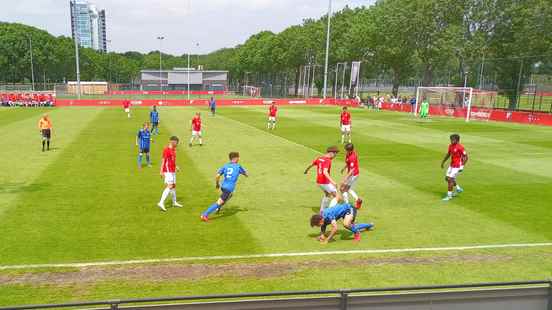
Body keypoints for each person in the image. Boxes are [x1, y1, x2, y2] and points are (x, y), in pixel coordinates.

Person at [201, 152, 248, 221]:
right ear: (235, 158)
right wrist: (245, 174)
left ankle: (218, 206)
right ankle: (205, 214)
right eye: (238, 157)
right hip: (229, 188)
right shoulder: (238, 166)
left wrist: (217, 184)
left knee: (230, 195)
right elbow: (246, 174)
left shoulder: (225, 166)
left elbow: (217, 176)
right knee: (219, 202)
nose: (239, 159)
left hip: (223, 186)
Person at [304, 146, 340, 214]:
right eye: (335, 154)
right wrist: (333, 182)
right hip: (325, 182)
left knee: (327, 194)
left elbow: (311, 164)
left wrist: (306, 170)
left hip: (319, 182)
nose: (335, 156)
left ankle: (322, 211)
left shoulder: (319, 158)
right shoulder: (328, 160)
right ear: (331, 153)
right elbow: (325, 172)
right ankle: (329, 212)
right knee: (337, 197)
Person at [157, 136, 183, 211]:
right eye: (177, 143)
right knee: (170, 186)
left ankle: (174, 202)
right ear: (173, 142)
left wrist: (176, 166)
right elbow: (163, 160)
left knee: (173, 186)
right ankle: (161, 202)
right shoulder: (166, 150)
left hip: (172, 170)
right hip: (168, 170)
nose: (177, 144)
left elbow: (172, 160)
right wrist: (161, 171)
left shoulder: (174, 150)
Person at [441, 134, 468, 201]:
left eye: (453, 139)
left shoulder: (460, 147)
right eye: (451, 139)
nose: (451, 141)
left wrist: (462, 166)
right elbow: (448, 154)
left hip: (457, 166)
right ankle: (458, 189)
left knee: (450, 179)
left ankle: (449, 196)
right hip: (452, 165)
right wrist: (443, 162)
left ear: (457, 140)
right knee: (447, 178)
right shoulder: (450, 146)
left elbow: (466, 157)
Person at [340, 143, 362, 209]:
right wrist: (344, 168)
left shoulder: (352, 157)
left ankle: (346, 205)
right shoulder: (349, 154)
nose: (345, 151)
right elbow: (348, 163)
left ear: (350, 150)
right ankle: (358, 200)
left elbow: (352, 170)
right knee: (347, 189)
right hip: (352, 174)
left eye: (346, 150)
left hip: (353, 175)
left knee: (343, 189)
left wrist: (344, 179)